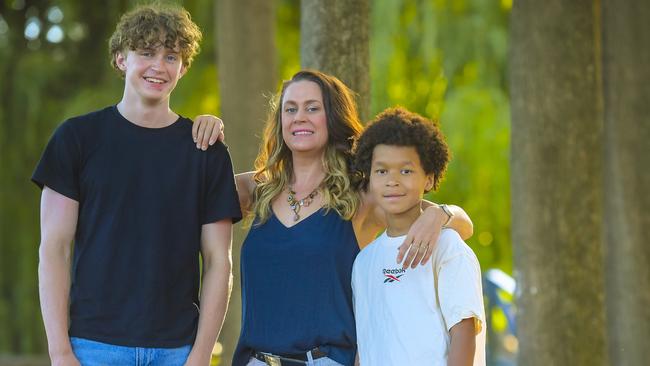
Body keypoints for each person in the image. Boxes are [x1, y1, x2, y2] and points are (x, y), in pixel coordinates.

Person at [196, 70, 474, 366]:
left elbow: (464, 225)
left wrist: (442, 215)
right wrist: (204, 128)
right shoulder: (257, 189)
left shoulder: (360, 197)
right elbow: (186, 197)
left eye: (312, 108)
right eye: (290, 109)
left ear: (333, 116)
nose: (299, 117)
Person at [32, 4, 241, 366]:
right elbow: (55, 249)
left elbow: (218, 261)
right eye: (146, 53)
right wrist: (60, 352)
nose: (159, 66)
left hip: (178, 350)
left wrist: (201, 355)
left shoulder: (206, 151)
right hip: (93, 346)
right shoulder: (76, 139)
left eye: (171, 55)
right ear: (120, 59)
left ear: (183, 67)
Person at [351, 107, 485, 365]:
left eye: (406, 171)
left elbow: (464, 331)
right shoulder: (364, 262)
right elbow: (365, 346)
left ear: (429, 178)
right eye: (381, 171)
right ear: (369, 178)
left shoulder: (447, 245)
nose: (392, 181)